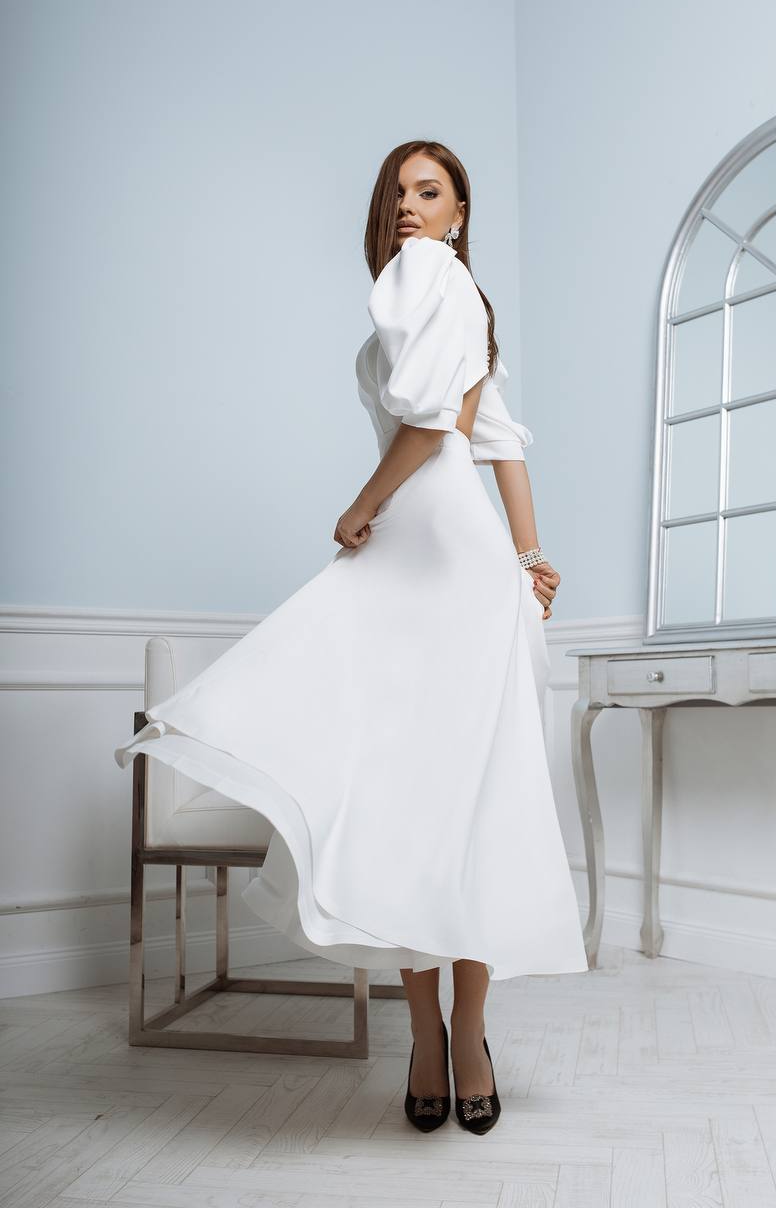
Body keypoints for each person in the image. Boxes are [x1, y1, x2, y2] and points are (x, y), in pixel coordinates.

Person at [115, 139, 588, 1136]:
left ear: (459, 214)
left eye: (430, 192)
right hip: (412, 547)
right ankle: (425, 1033)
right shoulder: (417, 299)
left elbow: (448, 434)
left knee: (466, 800)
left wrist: (386, 516)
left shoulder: (445, 285)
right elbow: (477, 432)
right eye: (396, 194)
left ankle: (469, 1032)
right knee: (400, 800)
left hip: (448, 552)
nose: (409, 207)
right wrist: (524, 546)